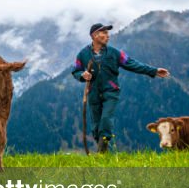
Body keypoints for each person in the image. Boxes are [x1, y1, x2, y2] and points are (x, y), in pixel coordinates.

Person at [71, 23, 169, 154]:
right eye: (104, 33)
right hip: (93, 93)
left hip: (111, 92)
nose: (108, 36)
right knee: (96, 126)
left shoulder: (115, 53)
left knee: (105, 121)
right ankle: (102, 151)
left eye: (108, 33)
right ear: (94, 35)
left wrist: (153, 71)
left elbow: (132, 63)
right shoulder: (82, 54)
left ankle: (101, 155)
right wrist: (82, 75)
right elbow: (75, 71)